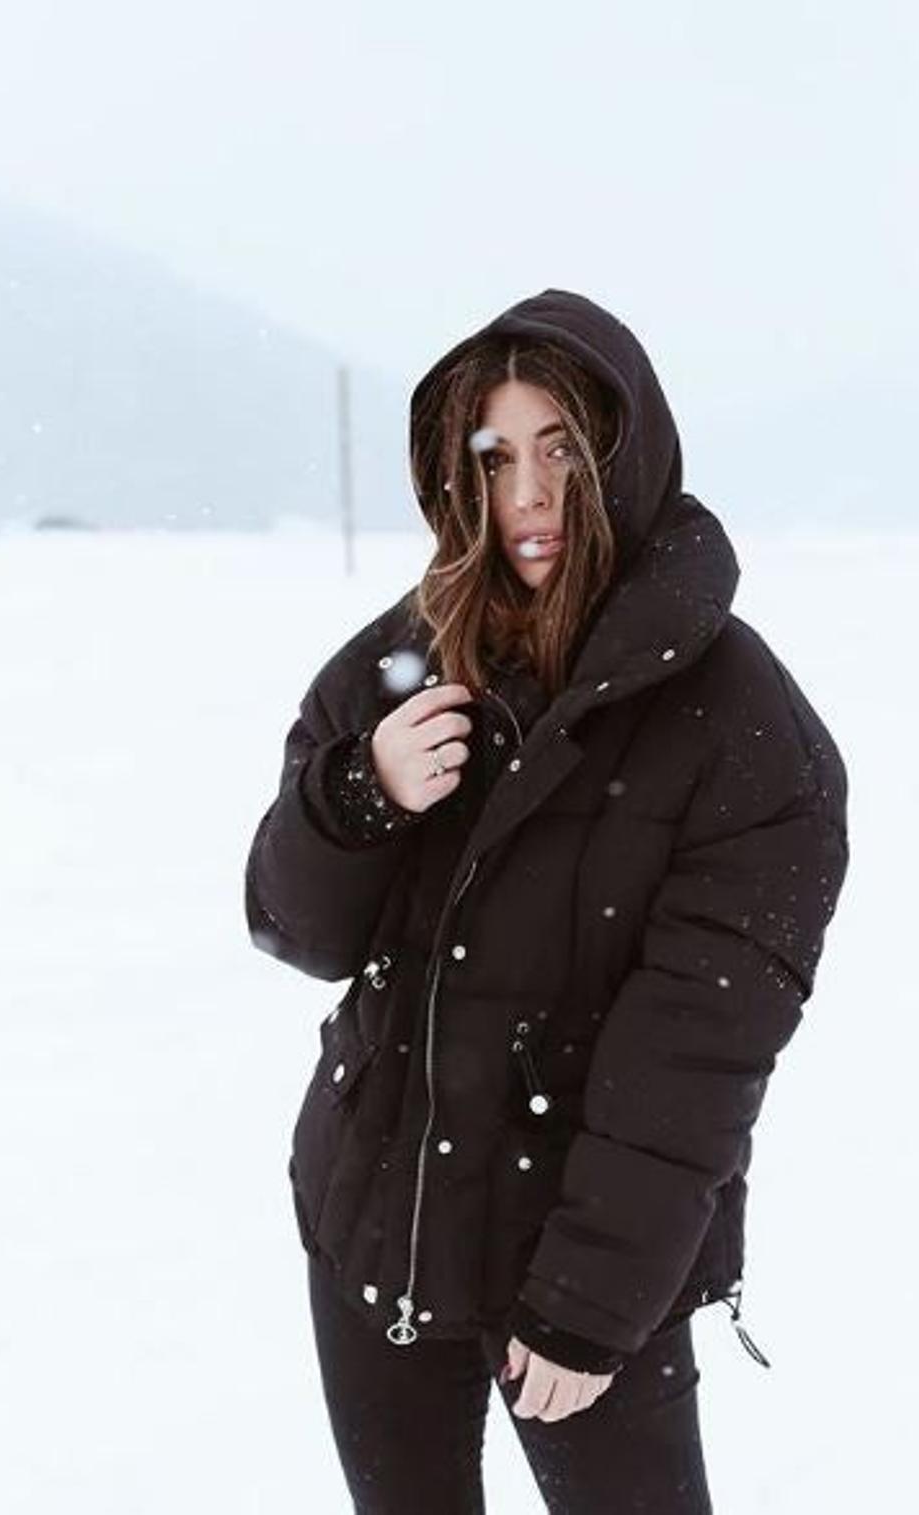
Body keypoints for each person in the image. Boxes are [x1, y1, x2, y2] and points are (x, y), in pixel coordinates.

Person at [244, 288, 850, 1513]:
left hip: (582, 1274)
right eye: (498, 455)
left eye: (564, 450)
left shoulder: (744, 727)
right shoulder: (402, 659)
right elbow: (291, 928)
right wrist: (359, 794)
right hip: (379, 1231)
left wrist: (588, 1306)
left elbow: (697, 1054)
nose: (528, 494)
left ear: (625, 460)